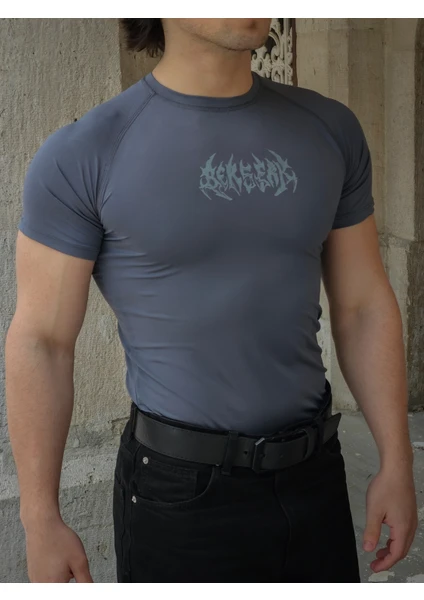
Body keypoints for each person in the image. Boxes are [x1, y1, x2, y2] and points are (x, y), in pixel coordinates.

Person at [5, 18, 417, 583]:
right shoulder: (85, 153)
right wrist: (39, 515)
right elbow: (42, 341)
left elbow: (363, 305)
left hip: (315, 476)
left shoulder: (329, 128)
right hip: (178, 495)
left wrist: (396, 459)